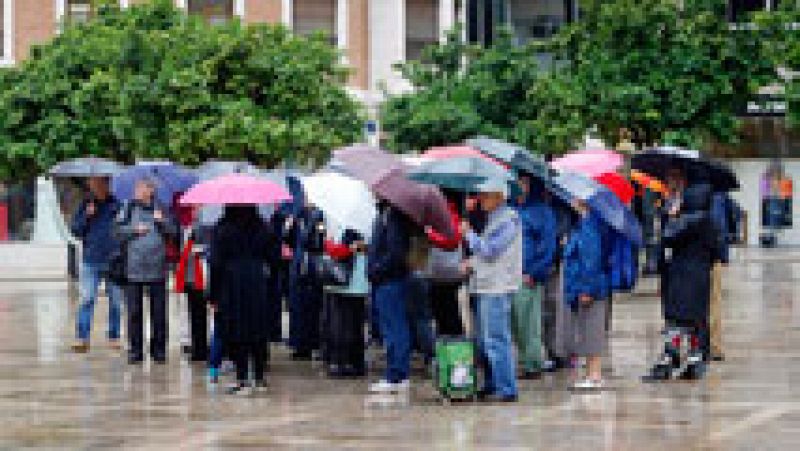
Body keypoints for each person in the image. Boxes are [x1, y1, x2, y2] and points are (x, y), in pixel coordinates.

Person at [462, 179, 522, 403]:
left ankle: (506, 388)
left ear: (500, 197)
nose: (481, 200)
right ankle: (492, 383)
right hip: (486, 284)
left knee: (497, 338)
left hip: (497, 287)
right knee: (486, 339)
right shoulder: (494, 219)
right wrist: (472, 263)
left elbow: (491, 251)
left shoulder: (508, 220)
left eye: (486, 195)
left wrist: (469, 235)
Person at [209, 206, 278, 395]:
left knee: (237, 329)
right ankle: (260, 377)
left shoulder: (221, 229)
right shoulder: (264, 227)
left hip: (231, 283)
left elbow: (215, 264)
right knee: (258, 328)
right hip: (257, 280)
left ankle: (242, 379)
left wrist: (213, 295)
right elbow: (274, 257)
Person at [115, 178, 178, 364]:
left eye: (142, 188)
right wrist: (134, 230)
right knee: (134, 312)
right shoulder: (127, 208)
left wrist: (161, 222)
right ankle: (135, 351)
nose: (138, 191)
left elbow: (174, 232)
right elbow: (117, 232)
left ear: (151, 190)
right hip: (133, 268)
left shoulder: (162, 208)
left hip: (157, 268)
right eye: (137, 188)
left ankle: (159, 350)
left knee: (159, 313)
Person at [661, 184, 717, 363]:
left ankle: (673, 353)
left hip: (680, 274)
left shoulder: (685, 220)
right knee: (697, 317)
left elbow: (667, 237)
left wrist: (671, 216)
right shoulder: (709, 220)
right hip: (701, 274)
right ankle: (697, 353)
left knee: (676, 318)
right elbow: (717, 250)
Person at [510, 174, 557, 379]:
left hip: (527, 275)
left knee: (528, 322)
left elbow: (547, 247)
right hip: (509, 273)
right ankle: (524, 360)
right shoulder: (512, 209)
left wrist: (535, 272)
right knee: (515, 323)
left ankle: (532, 363)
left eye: (524, 182)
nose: (520, 186)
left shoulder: (541, 212)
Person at [70, 176, 122, 353]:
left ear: (107, 184)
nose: (95, 187)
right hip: (91, 260)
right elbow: (76, 231)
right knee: (87, 299)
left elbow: (123, 229)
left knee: (116, 301)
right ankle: (82, 337)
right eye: (92, 184)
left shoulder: (117, 204)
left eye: (99, 183)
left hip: (114, 260)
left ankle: (114, 336)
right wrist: (87, 216)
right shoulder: (85, 205)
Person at [368, 200, 413, 394]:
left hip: (390, 280)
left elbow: (395, 253)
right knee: (392, 327)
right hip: (385, 280)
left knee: (394, 328)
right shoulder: (385, 214)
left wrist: (377, 269)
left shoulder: (394, 217)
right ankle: (397, 372)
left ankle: (397, 374)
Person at [563, 199, 607, 390]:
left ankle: (595, 374)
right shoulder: (584, 223)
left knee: (592, 329)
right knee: (587, 328)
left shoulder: (590, 224)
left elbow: (591, 259)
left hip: (589, 287)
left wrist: (587, 289)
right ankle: (590, 373)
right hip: (582, 285)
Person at [323, 229, 369, 378]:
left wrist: (331, 243)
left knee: (343, 325)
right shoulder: (367, 227)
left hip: (346, 283)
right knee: (354, 324)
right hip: (357, 283)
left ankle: (343, 362)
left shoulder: (342, 227)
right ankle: (354, 362)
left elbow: (334, 250)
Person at [286, 203, 326, 360]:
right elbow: (289, 241)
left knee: (311, 308)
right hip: (298, 265)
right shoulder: (298, 216)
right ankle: (298, 344)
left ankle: (311, 344)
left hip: (311, 266)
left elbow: (316, 242)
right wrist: (289, 227)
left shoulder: (319, 216)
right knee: (296, 306)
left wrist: (308, 227)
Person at [425, 190, 465, 337]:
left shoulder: (450, 212)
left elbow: (451, 240)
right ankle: (446, 352)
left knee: (450, 313)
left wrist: (429, 234)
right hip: (437, 272)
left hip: (448, 273)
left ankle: (457, 353)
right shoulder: (438, 212)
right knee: (441, 313)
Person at [175, 217, 208, 362]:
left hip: (202, 274)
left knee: (202, 313)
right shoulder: (183, 227)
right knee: (192, 312)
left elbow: (212, 246)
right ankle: (196, 346)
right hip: (189, 275)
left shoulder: (207, 224)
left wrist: (202, 248)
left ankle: (202, 348)